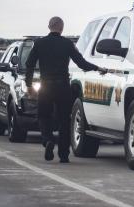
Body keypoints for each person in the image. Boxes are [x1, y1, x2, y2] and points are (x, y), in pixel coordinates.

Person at [25, 16, 107, 163]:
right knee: (64, 120)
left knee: (43, 116)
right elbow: (81, 63)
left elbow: (29, 64)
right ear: (61, 28)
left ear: (49, 26)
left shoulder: (39, 43)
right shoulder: (67, 44)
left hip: (46, 86)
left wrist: (29, 85)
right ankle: (63, 154)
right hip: (63, 86)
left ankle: (47, 140)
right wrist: (97, 68)